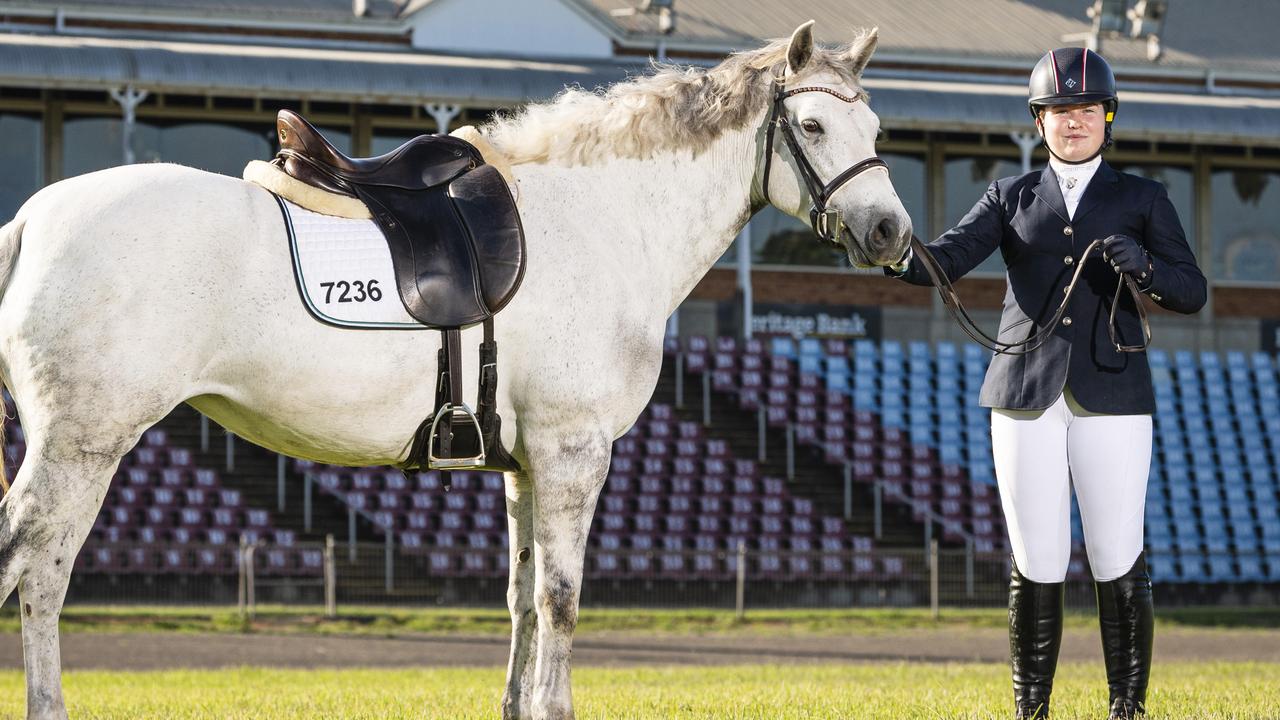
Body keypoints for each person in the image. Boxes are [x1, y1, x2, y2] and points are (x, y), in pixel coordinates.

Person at [885, 48, 1207, 719]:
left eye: (1086, 109)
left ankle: (1127, 706)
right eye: (1061, 110)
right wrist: (890, 246)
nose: (1074, 121)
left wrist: (1143, 267)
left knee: (1117, 550)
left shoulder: (1143, 197)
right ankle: (1031, 708)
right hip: (1022, 392)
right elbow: (945, 258)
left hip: (1113, 392)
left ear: (1107, 117)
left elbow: (1191, 291)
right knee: (1036, 556)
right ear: (1040, 121)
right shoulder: (1010, 195)